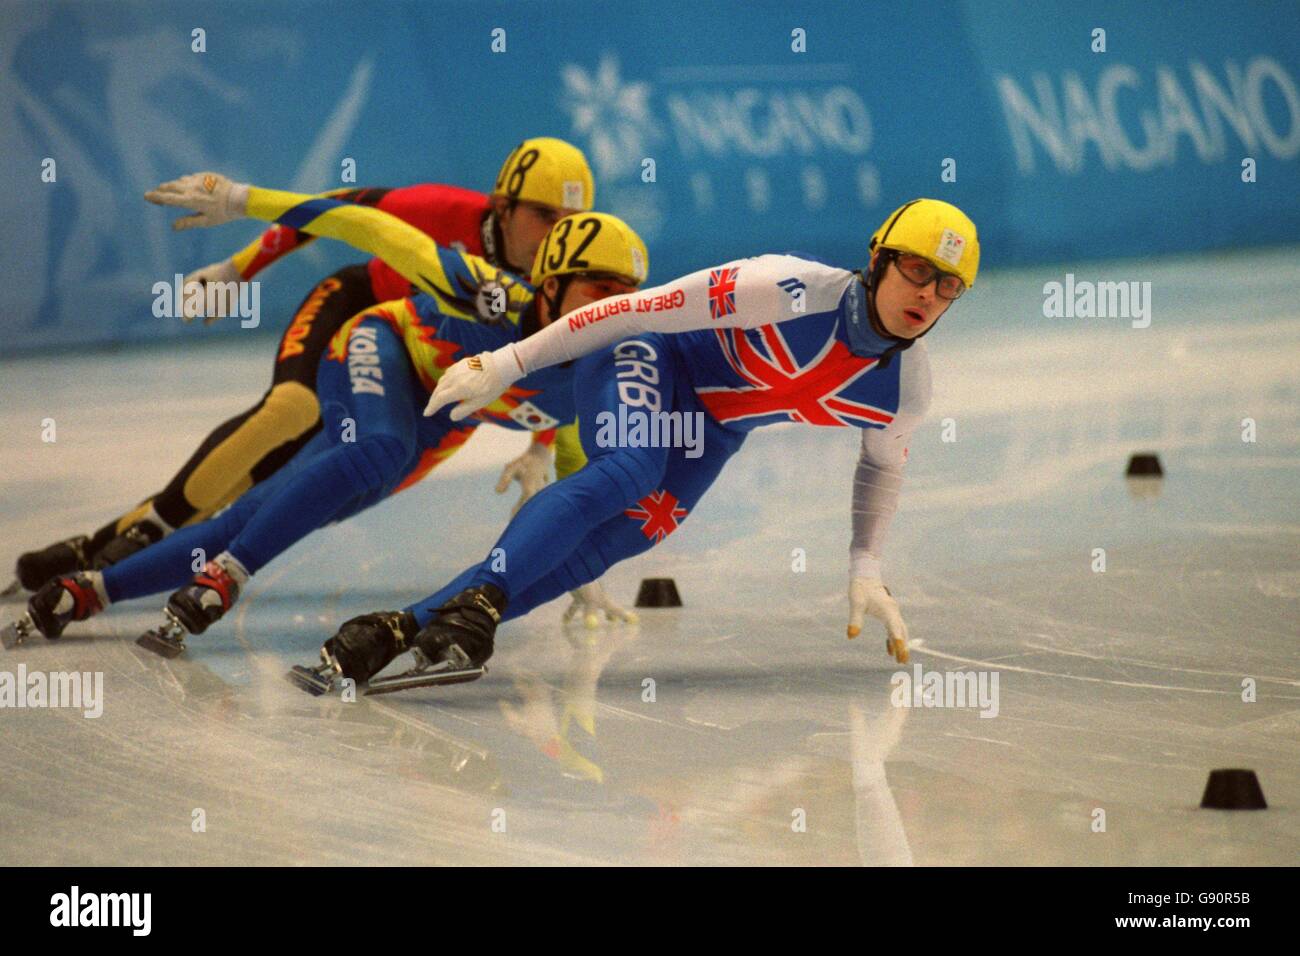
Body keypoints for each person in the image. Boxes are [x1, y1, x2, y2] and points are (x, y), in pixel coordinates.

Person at [309, 198, 980, 688]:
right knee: (632, 469)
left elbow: (881, 468)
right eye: (917, 270)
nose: (927, 293)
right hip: (651, 354)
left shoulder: (905, 390)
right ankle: (483, 602)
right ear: (878, 260)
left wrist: (866, 567)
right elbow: (634, 308)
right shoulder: (783, 287)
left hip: (716, 428)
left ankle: (399, 627)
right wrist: (508, 365)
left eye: (947, 285)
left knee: (630, 533)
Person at [8, 206, 648, 655]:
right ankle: (229, 573)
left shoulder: (602, 375)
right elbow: (365, 223)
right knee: (377, 448)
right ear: (552, 284)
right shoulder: (488, 294)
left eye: (628, 295)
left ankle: (91, 590)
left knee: (284, 507)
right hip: (382, 341)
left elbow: (576, 485)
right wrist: (240, 204)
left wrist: (584, 581)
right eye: (600, 289)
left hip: (436, 420)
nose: (615, 307)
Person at [10, 138, 593, 593]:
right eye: (544, 215)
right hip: (363, 310)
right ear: (502, 204)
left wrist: (540, 449)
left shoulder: (561, 280)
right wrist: (241, 265)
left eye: (567, 222)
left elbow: (562, 365)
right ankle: (151, 529)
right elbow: (341, 211)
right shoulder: (443, 211)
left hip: (422, 376)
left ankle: (107, 548)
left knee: (297, 492)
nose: (555, 235)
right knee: (292, 408)